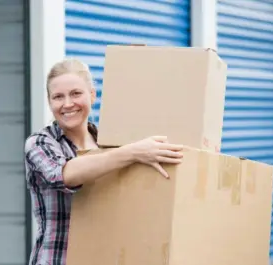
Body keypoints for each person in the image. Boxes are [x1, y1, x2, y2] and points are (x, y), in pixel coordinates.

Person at [24, 58, 184, 265]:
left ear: (92, 95)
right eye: (58, 97)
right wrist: (134, 152)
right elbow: (63, 174)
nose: (67, 104)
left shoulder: (109, 143)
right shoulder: (39, 143)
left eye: (76, 93)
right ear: (49, 102)